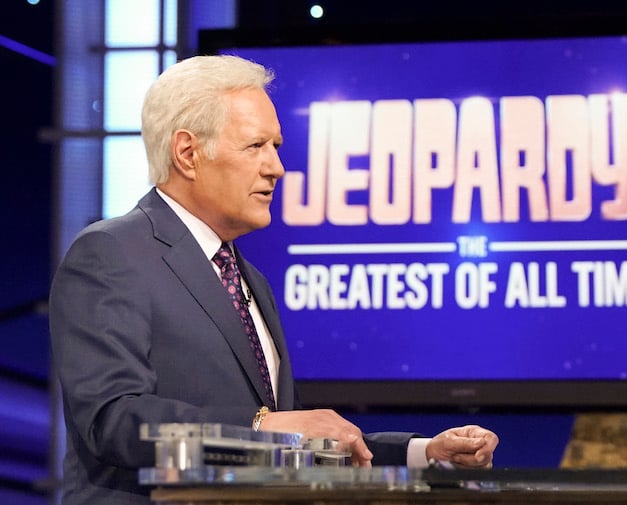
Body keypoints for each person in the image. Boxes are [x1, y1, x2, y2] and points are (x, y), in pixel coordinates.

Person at [49, 54, 499, 505]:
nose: (276, 167)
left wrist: (423, 454)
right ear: (188, 153)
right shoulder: (112, 253)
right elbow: (112, 420)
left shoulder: (251, 280)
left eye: (276, 146)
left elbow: (292, 445)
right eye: (255, 146)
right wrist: (264, 427)